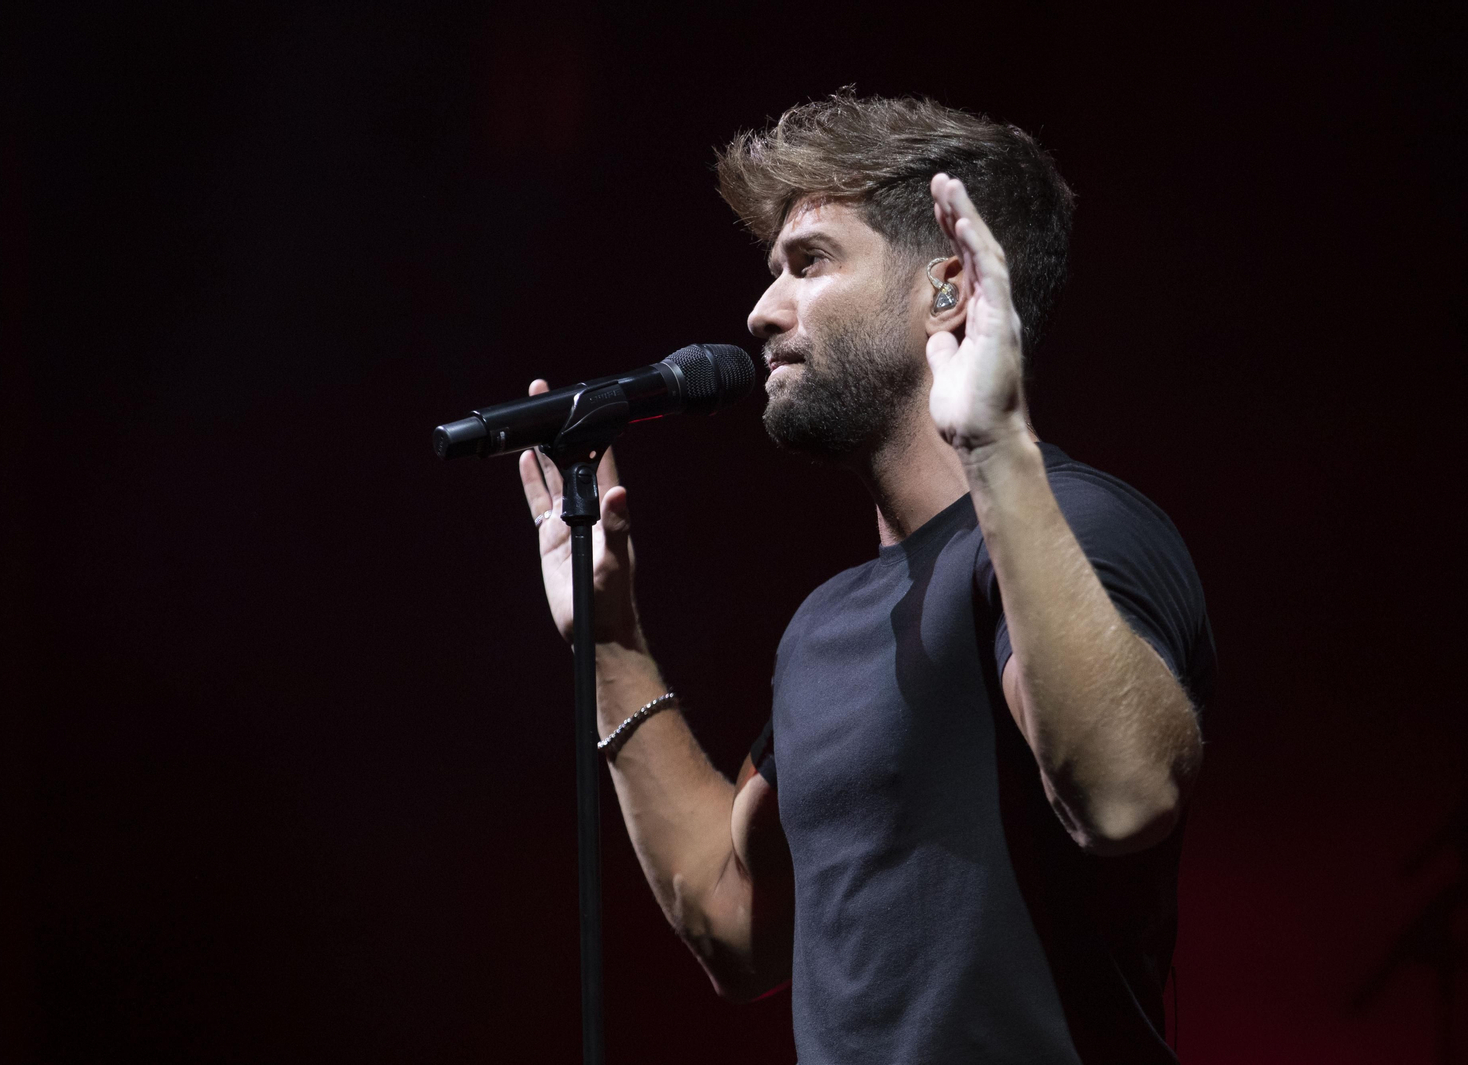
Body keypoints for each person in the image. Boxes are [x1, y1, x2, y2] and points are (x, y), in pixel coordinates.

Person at [517, 91, 1214, 1064]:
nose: (762, 312)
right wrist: (610, 641)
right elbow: (735, 922)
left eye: (809, 262)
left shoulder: (1084, 527)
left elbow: (1126, 797)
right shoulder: (825, 624)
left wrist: (997, 451)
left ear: (948, 289)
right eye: (773, 271)